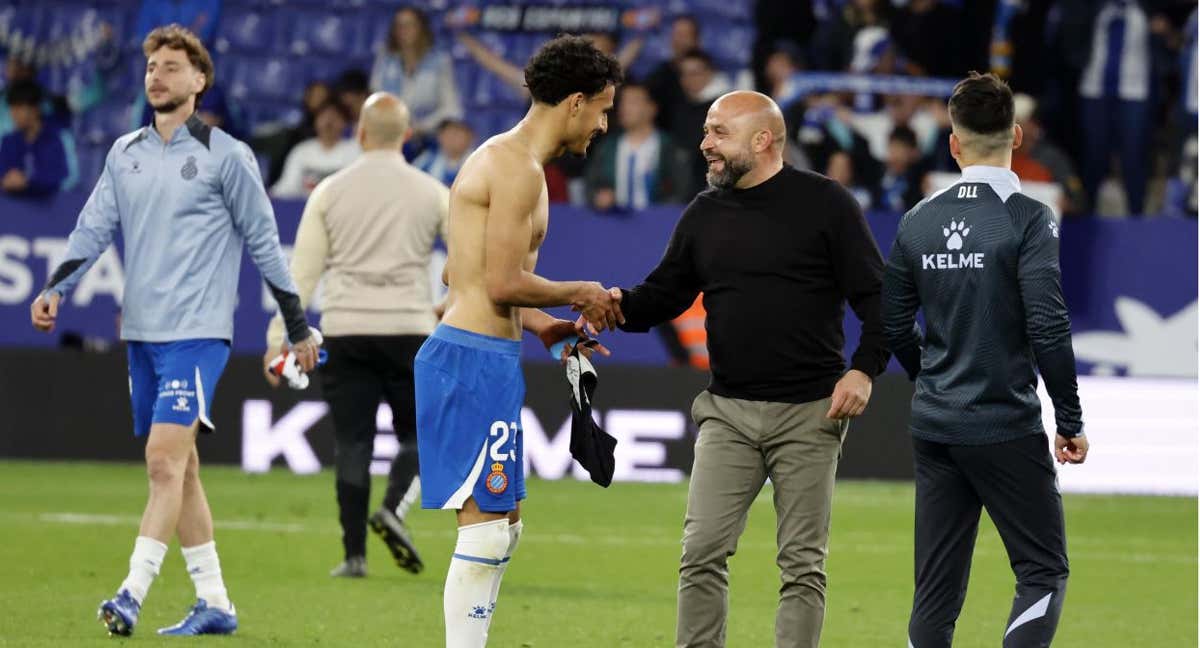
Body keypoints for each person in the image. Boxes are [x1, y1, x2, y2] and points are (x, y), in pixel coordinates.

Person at [28, 24, 320, 637]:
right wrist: (55, 286)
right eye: (151, 66)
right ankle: (216, 603)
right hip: (142, 334)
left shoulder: (227, 155)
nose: (156, 75)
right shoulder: (124, 152)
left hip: (197, 332)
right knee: (180, 469)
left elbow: (266, 245)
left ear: (199, 80)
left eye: (170, 66)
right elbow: (91, 228)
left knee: (161, 460)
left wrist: (296, 325)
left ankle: (131, 593)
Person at [610, 90, 890, 648]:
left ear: (762, 141)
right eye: (708, 131)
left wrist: (863, 370)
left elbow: (878, 300)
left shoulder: (827, 204)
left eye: (718, 132)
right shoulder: (704, 213)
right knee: (701, 552)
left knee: (802, 566)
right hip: (728, 412)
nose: (704, 143)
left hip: (811, 414)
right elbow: (662, 296)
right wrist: (609, 306)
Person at [415, 35, 623, 648]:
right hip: (469, 360)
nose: (605, 124)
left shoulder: (508, 161)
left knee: (504, 524)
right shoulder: (516, 169)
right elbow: (502, 280)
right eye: (605, 109)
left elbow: (463, 275)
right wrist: (580, 290)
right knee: (484, 530)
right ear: (576, 102)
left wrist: (544, 325)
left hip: (487, 355)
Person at [880, 72, 1087, 648]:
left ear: (953, 142)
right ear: (1016, 135)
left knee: (936, 589)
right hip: (1003, 423)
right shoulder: (1028, 217)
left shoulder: (918, 220)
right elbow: (1048, 323)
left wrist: (933, 381)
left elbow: (893, 324)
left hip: (936, 424)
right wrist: (1069, 420)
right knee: (1042, 571)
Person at [265, 92, 445, 578]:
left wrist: (279, 337)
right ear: (407, 136)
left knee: (352, 445)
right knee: (423, 436)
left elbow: (300, 275)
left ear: (359, 134)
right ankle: (393, 509)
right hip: (411, 328)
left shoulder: (329, 191)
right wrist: (449, 308)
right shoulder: (431, 192)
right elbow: (469, 261)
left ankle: (354, 556)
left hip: (345, 329)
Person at [585, 82, 683, 211]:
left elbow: (682, 190)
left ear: (652, 108)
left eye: (633, 102)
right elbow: (590, 185)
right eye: (622, 102)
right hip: (614, 222)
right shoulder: (608, 146)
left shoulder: (668, 146)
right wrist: (598, 198)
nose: (624, 108)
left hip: (658, 223)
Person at [370, 7, 463, 140]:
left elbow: (451, 108)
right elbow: (375, 98)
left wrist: (421, 128)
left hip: (428, 137)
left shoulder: (439, 61)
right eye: (399, 25)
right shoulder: (385, 60)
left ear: (422, 29)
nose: (404, 30)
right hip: (390, 135)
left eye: (410, 25)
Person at [0, 80, 78, 196]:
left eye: (19, 107)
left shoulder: (59, 137)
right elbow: (4, 175)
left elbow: (70, 180)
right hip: (14, 208)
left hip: (54, 209)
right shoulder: (8, 141)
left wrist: (28, 182)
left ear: (35, 108)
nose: (13, 114)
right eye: (12, 108)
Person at [270, 101, 360, 199]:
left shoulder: (354, 150)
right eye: (324, 117)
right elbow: (288, 186)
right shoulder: (302, 150)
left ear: (344, 123)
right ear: (315, 121)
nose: (328, 122)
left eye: (335, 117)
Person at [414, 118, 476, 187]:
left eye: (457, 133)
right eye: (448, 132)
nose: (452, 138)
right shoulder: (426, 161)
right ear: (440, 136)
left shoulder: (478, 162)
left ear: (470, 137)